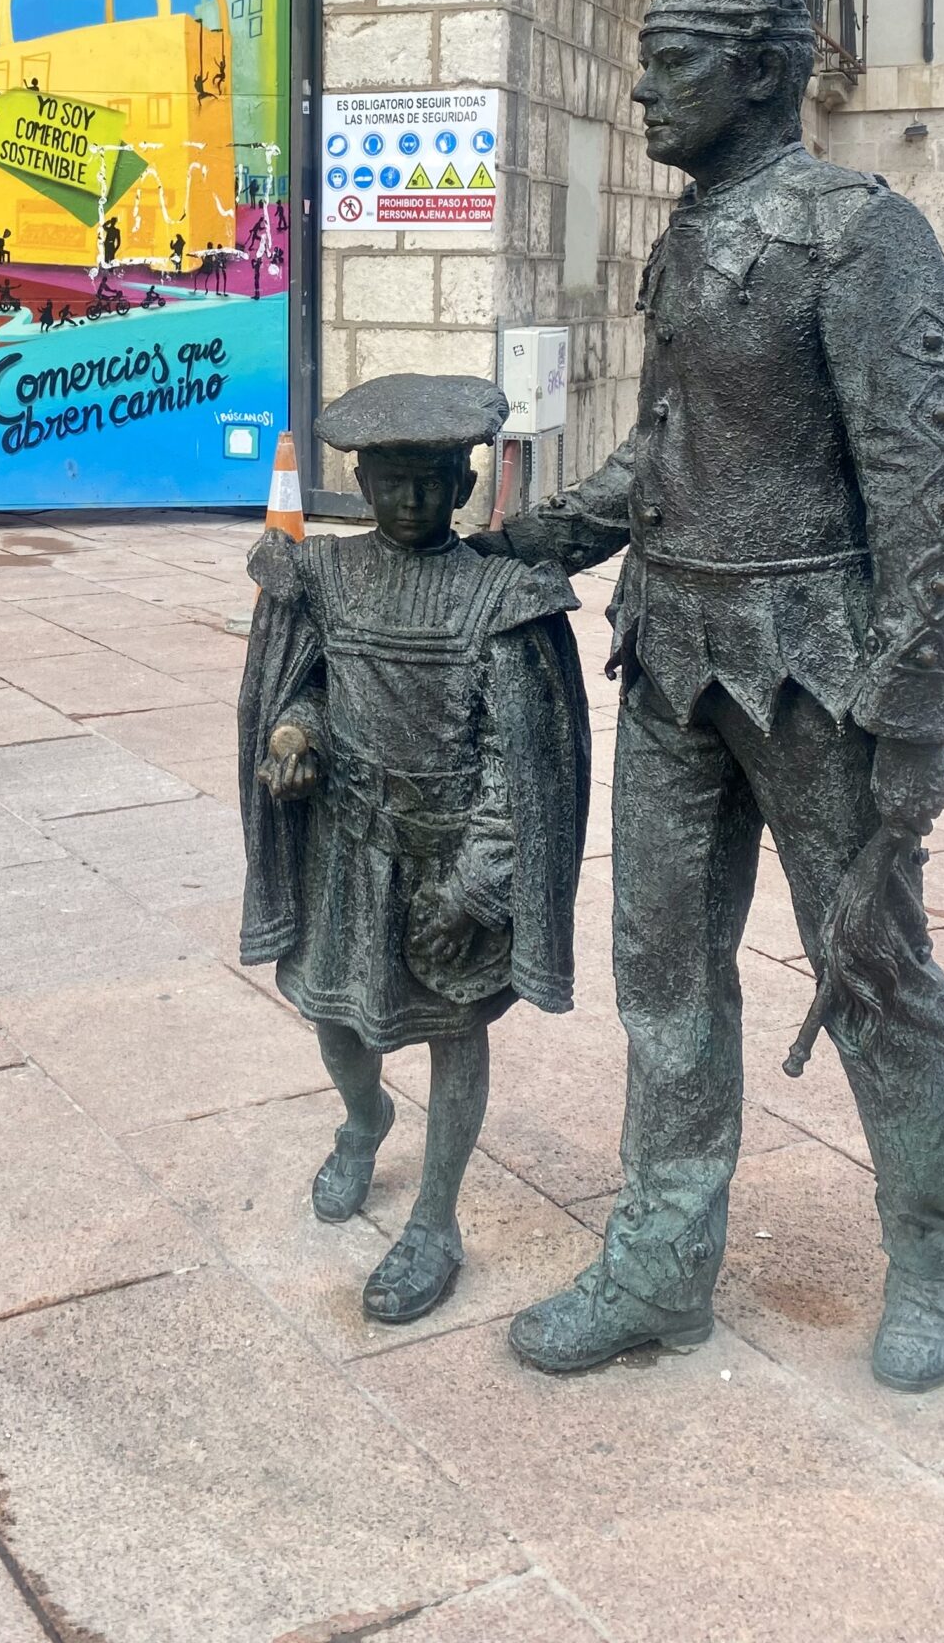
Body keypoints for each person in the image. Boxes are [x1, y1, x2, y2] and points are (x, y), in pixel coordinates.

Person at [484, 0, 944, 1393]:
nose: (643, 86)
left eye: (674, 61)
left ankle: (940, 1242)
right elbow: (669, 448)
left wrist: (915, 716)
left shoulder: (857, 235)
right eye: (647, 60)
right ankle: (660, 1261)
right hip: (670, 659)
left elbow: (934, 486)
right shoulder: (692, 232)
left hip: (821, 674)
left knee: (871, 968)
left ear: (763, 72)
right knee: (661, 977)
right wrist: (549, 535)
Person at [239, 375, 590, 1324]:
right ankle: (365, 1119)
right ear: (361, 481)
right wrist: (294, 734)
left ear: (465, 482)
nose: (411, 499)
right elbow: (309, 687)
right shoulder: (328, 576)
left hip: (453, 856)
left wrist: (478, 881)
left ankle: (436, 1220)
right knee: (333, 1015)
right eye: (391, 480)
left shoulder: (498, 597)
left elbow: (515, 759)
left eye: (432, 480)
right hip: (348, 849)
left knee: (454, 1030)